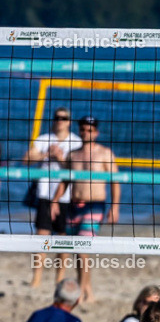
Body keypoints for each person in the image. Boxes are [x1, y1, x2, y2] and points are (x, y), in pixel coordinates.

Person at [49, 116, 120, 303]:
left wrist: (115, 207)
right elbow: (65, 180)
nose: (86, 133)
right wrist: (54, 201)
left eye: (90, 130)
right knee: (75, 251)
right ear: (79, 131)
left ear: (96, 132)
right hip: (74, 206)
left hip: (94, 206)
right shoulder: (73, 155)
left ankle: (80, 294)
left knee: (82, 250)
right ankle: (88, 290)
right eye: (83, 129)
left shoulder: (105, 153)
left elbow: (115, 182)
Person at [25, 107, 81, 288]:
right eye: (57, 117)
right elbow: (26, 160)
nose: (60, 121)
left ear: (69, 121)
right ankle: (36, 278)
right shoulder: (44, 139)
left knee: (63, 240)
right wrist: (47, 154)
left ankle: (59, 278)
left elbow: (77, 168)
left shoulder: (76, 141)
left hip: (66, 197)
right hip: (45, 194)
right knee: (42, 238)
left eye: (63, 118)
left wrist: (61, 158)